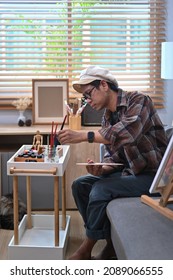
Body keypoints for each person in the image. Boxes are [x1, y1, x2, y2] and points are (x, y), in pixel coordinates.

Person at [57, 65, 168, 260]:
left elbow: (128, 134)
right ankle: (110, 243)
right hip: (131, 173)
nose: (88, 101)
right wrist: (102, 168)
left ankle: (85, 249)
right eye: (85, 97)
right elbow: (115, 157)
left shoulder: (139, 101)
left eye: (89, 94)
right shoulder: (107, 118)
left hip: (153, 177)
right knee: (80, 185)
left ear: (104, 85)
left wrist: (84, 135)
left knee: (101, 190)